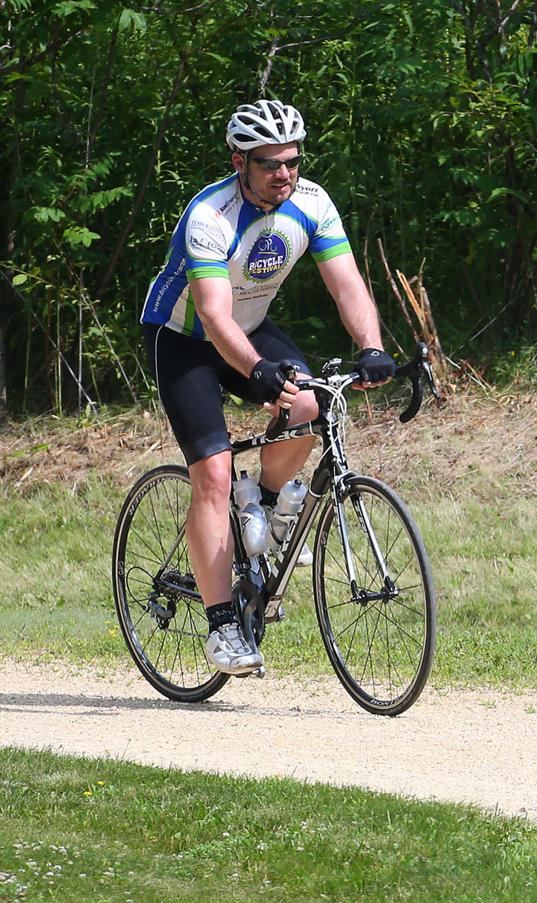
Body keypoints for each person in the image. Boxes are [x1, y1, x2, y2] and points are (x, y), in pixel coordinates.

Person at [139, 98, 395, 677]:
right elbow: (212, 315)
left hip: (250, 328)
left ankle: (268, 503)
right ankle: (223, 626)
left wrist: (372, 347)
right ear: (240, 162)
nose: (284, 173)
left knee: (311, 402)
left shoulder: (312, 203)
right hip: (184, 339)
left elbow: (347, 284)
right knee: (213, 474)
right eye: (270, 163)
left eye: (292, 161)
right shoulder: (210, 215)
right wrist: (256, 370)